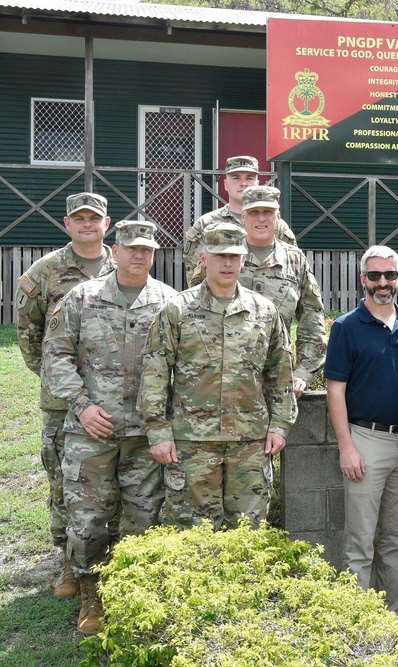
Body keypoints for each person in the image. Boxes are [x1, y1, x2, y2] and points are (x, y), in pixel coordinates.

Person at [42, 220, 177, 634]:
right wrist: (81, 406)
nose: (139, 255)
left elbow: (181, 365)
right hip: (91, 431)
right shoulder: (81, 297)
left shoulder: (169, 302)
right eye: (131, 248)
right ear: (114, 251)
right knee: (88, 518)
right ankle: (92, 594)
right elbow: (55, 355)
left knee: (143, 517)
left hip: (145, 433)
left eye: (147, 250)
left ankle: (133, 591)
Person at [139, 222, 297, 531]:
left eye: (234, 256)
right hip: (192, 443)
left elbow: (280, 373)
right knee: (194, 534)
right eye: (219, 255)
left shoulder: (264, 311)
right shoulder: (177, 310)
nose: (227, 263)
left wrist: (280, 425)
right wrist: (158, 431)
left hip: (250, 442)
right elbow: (155, 373)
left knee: (248, 533)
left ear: (243, 260)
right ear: (203, 258)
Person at [16, 192, 115, 599]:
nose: (88, 224)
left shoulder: (123, 262)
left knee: (109, 478)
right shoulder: (47, 270)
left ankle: (107, 556)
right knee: (64, 480)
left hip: (114, 397)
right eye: (80, 219)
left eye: (95, 218)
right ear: (67, 223)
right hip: (63, 400)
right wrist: (61, 381)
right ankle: (67, 562)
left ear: (106, 224)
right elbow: (29, 333)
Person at [325, 245, 398, 614]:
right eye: (375, 276)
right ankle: (360, 627)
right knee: (361, 543)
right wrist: (346, 446)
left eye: (390, 275)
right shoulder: (346, 327)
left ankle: (394, 623)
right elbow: (335, 391)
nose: (382, 283)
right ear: (362, 279)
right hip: (365, 441)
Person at [238, 185, 326, 399]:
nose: (261, 219)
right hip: (229, 379)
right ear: (243, 217)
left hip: (279, 381)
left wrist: (303, 372)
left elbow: (311, 319)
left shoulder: (295, 260)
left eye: (267, 212)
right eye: (254, 212)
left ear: (277, 217)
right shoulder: (225, 256)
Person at [183, 156, 295, 287]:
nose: (243, 183)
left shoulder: (276, 225)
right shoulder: (206, 224)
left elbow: (293, 268)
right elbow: (194, 276)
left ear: (257, 183)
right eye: (236, 178)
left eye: (249, 178)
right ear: (225, 184)